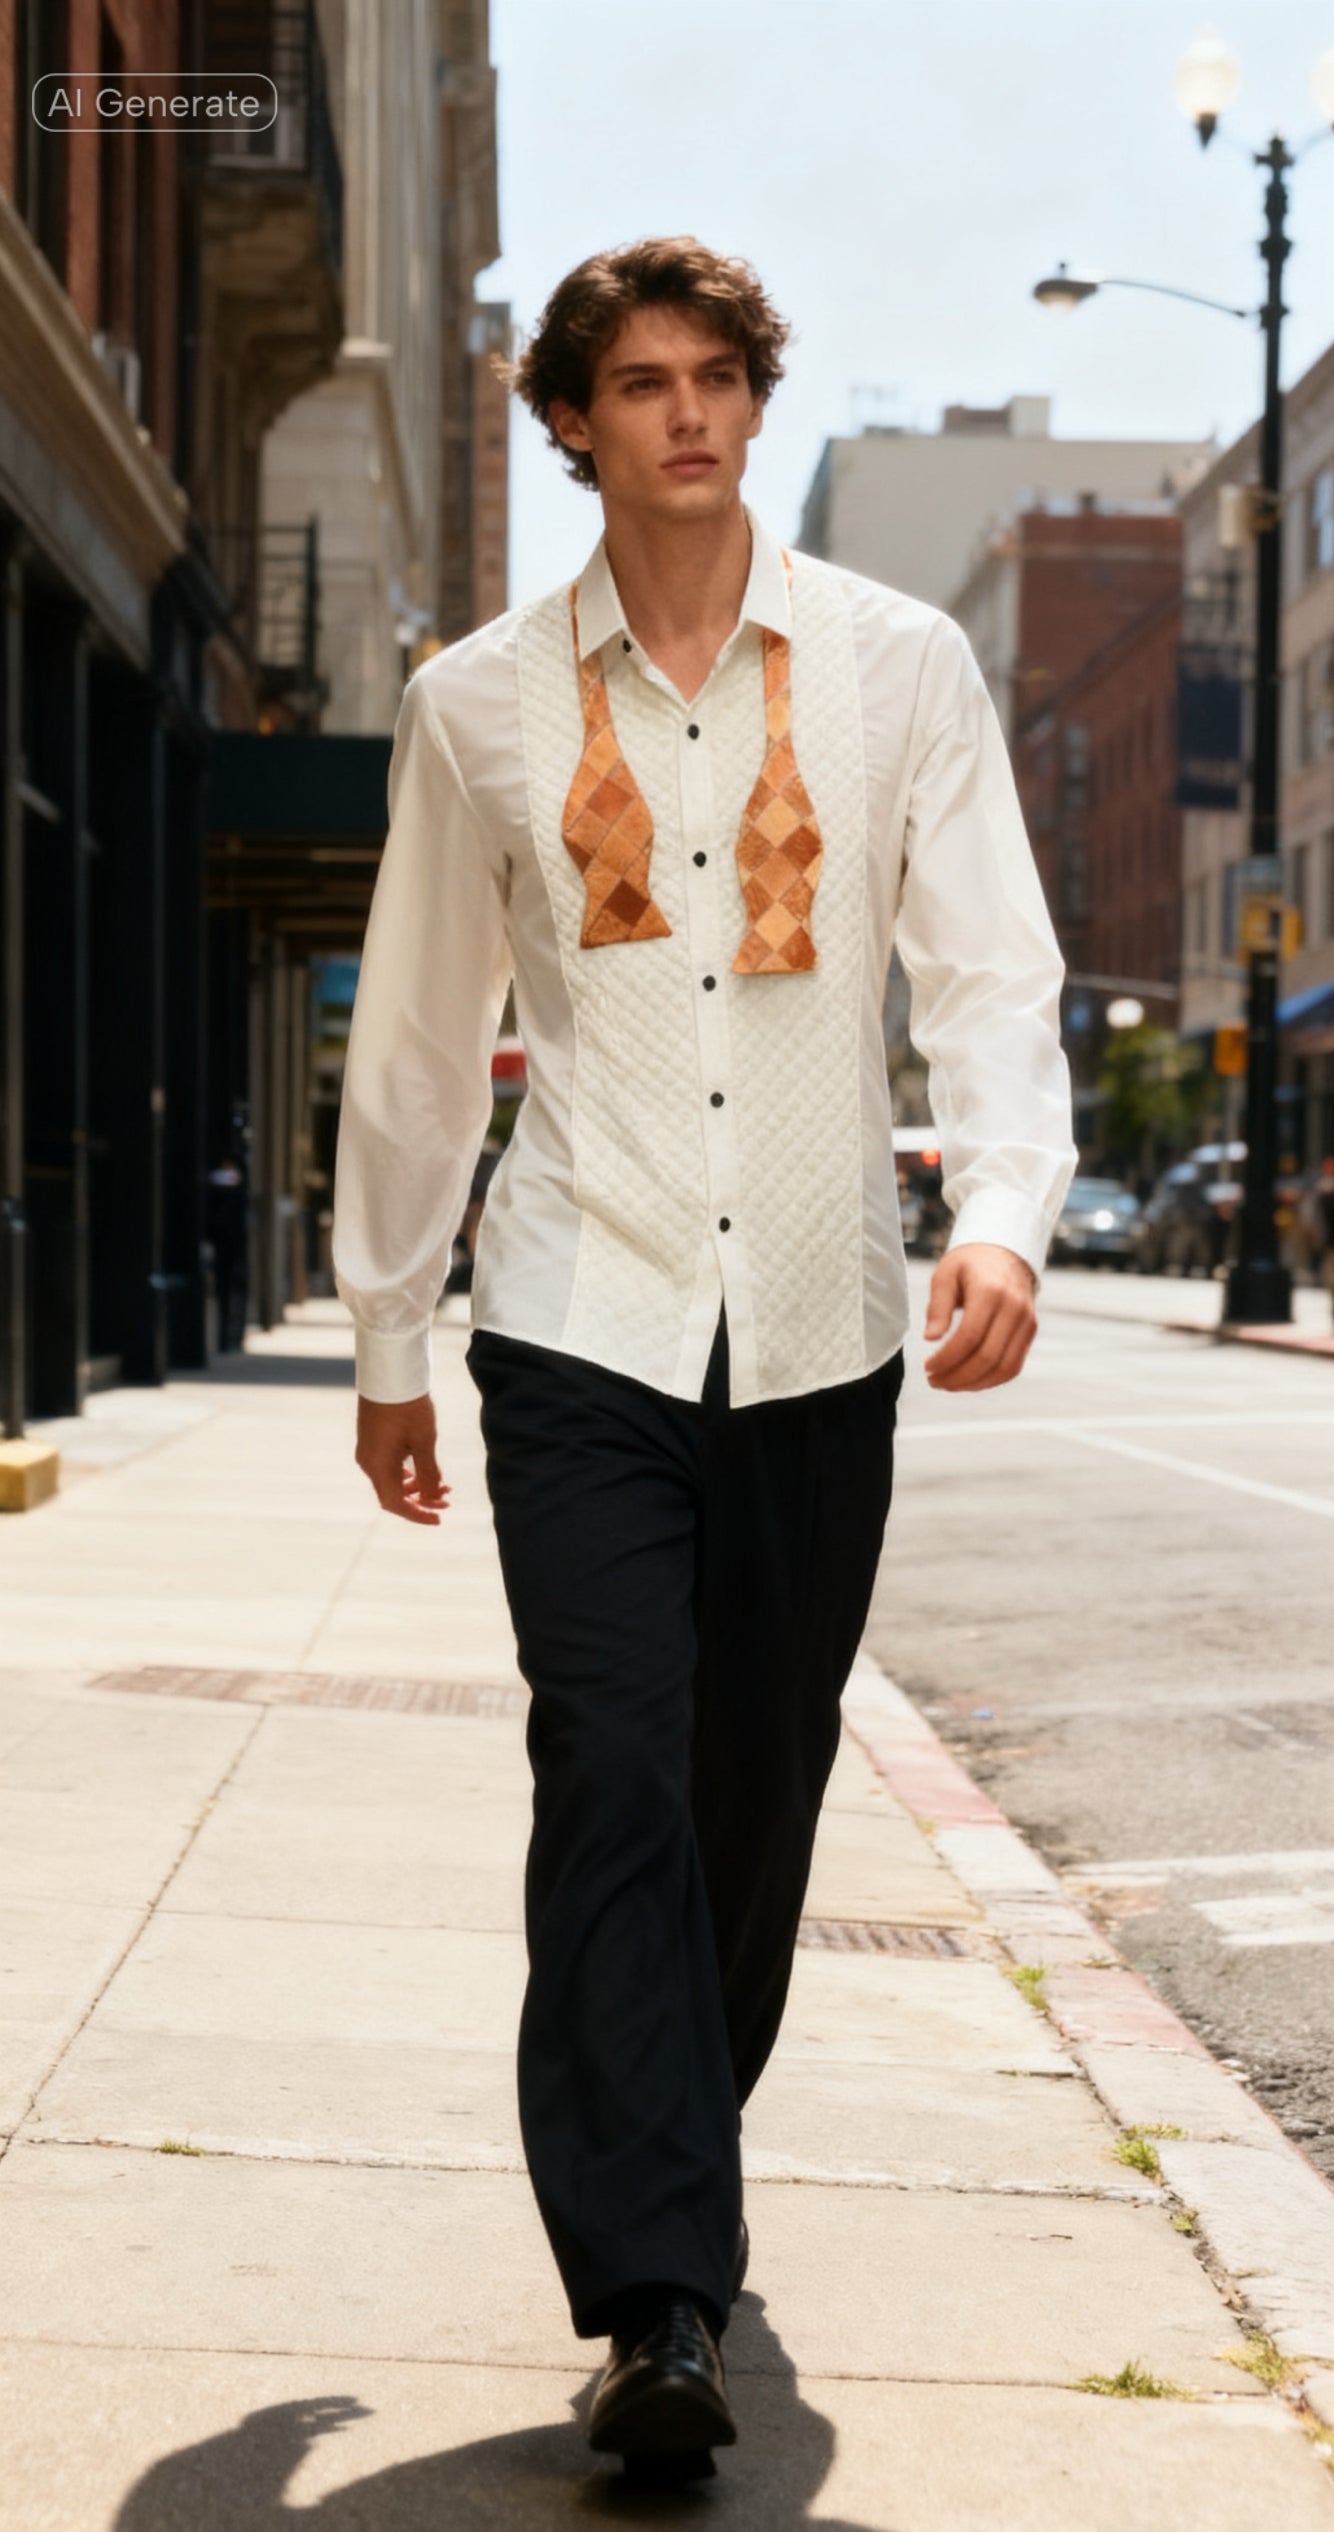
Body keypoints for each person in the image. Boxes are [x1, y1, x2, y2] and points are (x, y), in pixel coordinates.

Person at [332, 236, 1076, 2480]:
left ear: (754, 402)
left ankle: (670, 2165)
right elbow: (410, 1034)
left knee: (752, 1793)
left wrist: (1012, 1217)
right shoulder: (476, 699)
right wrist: (387, 1333)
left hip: (828, 1320)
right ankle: (659, 2298)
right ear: (572, 418)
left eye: (717, 378)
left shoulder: (896, 667)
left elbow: (988, 971)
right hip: (578, 1309)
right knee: (617, 1766)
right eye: (638, 382)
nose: (684, 414)